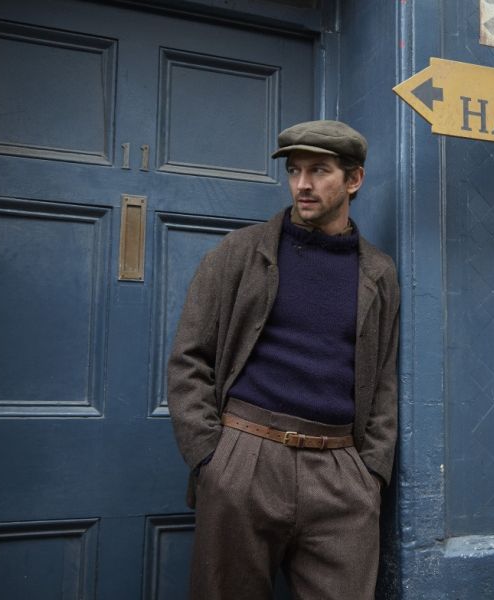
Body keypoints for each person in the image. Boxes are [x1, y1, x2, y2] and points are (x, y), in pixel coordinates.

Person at [167, 119, 400, 600]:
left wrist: (370, 473)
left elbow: (383, 380)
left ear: (354, 179)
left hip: (341, 472)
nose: (302, 184)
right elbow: (189, 357)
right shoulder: (239, 253)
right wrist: (211, 458)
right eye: (295, 171)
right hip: (246, 455)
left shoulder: (378, 273)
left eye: (319, 171)